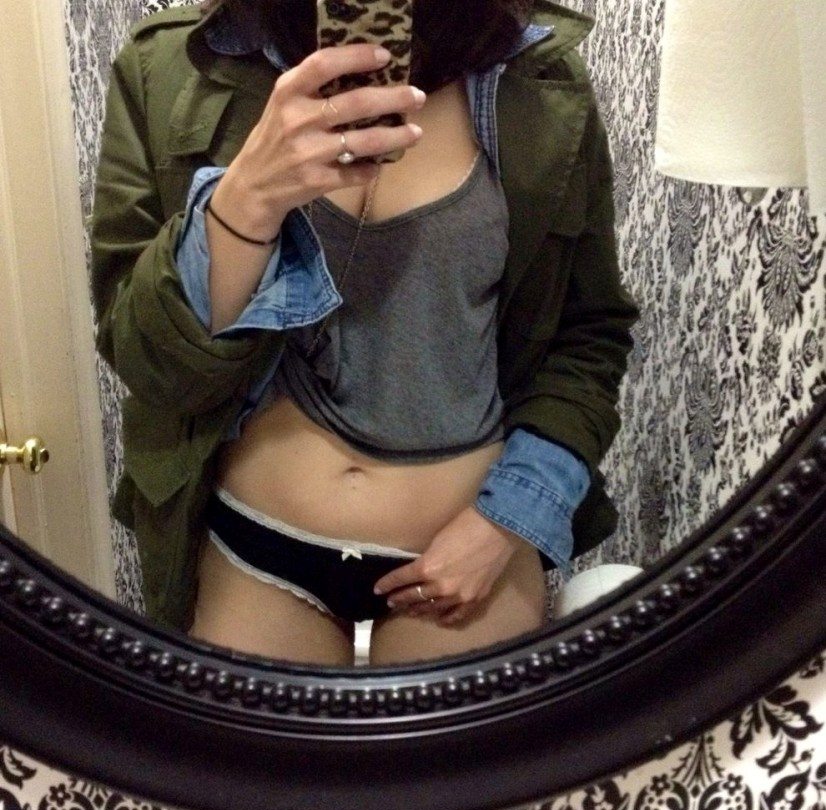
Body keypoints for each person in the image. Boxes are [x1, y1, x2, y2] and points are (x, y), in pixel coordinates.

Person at [90, 0, 639, 667]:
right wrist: (245, 201)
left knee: (467, 742)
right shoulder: (171, 66)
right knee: (250, 740)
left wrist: (510, 521)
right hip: (255, 548)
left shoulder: (537, 81)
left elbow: (588, 337)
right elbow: (149, 362)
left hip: (467, 546)